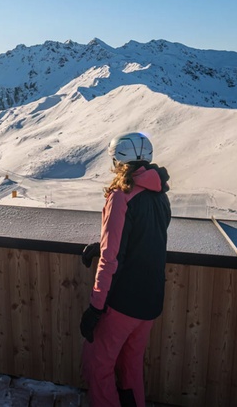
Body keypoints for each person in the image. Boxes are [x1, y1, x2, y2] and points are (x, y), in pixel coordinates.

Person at [79, 132, 171, 407]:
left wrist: (95, 308)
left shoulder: (122, 195)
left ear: (118, 161)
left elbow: (111, 259)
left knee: (98, 365)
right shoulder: (160, 195)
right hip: (151, 299)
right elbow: (145, 239)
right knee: (131, 367)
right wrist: (103, 243)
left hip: (123, 302)